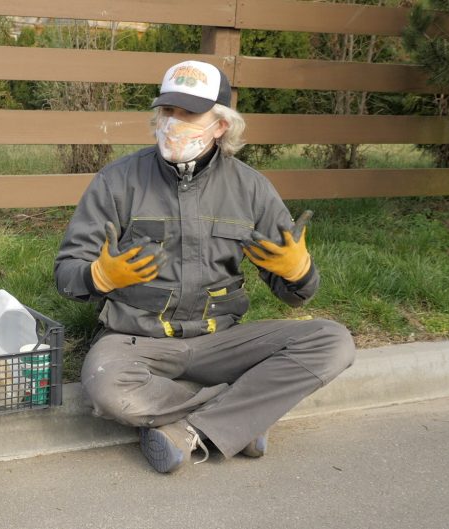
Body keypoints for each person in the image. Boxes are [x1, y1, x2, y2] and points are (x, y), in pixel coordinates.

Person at [54, 60, 356, 474]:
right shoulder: (117, 180)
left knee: (332, 341)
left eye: (188, 113)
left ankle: (188, 427)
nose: (172, 123)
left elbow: (296, 295)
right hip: (136, 340)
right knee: (107, 386)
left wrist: (298, 272)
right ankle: (240, 415)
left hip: (221, 341)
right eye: (167, 111)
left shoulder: (251, 188)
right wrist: (98, 276)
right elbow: (67, 271)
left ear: (221, 125)